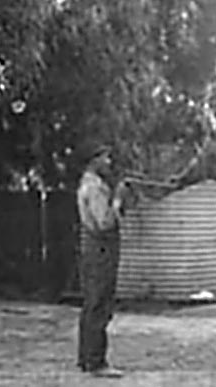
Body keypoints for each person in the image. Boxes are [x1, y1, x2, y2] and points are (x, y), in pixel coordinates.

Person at [75, 147, 124, 378]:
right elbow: (104, 223)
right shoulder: (95, 187)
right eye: (104, 157)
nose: (108, 161)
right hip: (100, 251)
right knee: (100, 304)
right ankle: (96, 362)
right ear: (94, 160)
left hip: (94, 250)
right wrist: (117, 201)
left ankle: (86, 358)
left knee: (91, 304)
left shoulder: (89, 183)